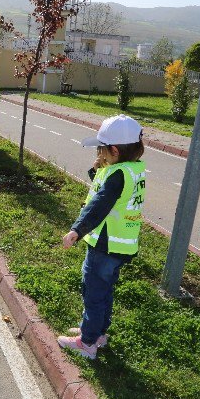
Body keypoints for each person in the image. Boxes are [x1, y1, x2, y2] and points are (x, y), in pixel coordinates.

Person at [57, 114, 146, 360]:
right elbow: (104, 190)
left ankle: (87, 343)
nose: (99, 153)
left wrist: (77, 229)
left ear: (114, 150)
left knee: (93, 292)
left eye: (101, 149)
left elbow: (99, 204)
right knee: (105, 291)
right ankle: (97, 332)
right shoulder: (131, 170)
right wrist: (96, 169)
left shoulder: (116, 175)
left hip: (104, 246)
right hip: (122, 246)